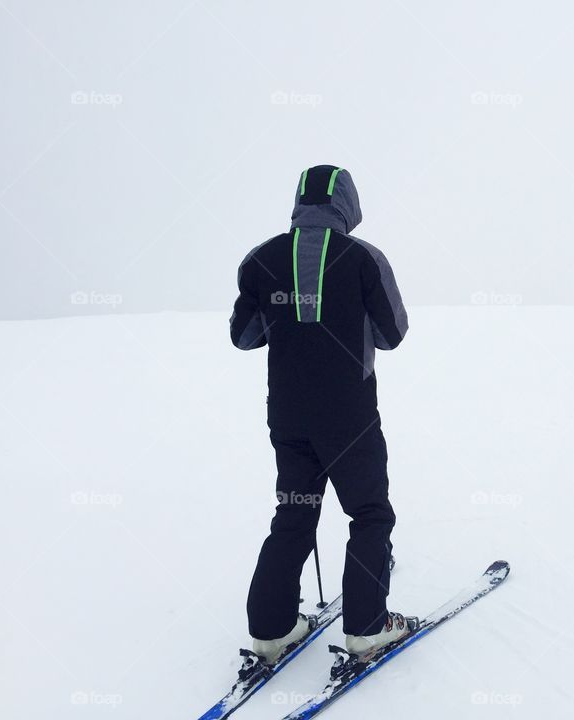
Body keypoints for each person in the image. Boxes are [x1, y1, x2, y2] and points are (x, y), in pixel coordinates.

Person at [229, 164, 410, 663]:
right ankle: (368, 628)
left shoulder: (260, 260)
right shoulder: (364, 259)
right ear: (347, 205)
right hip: (350, 416)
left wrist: (287, 317)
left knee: (294, 513)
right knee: (369, 513)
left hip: (287, 419)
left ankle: (272, 630)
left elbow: (243, 337)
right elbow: (393, 333)